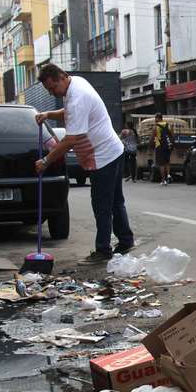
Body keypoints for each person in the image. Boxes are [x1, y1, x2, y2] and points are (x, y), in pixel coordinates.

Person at [34, 63, 135, 264]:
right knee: (116, 201)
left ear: (62, 77)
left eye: (53, 88)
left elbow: (71, 139)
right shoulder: (76, 83)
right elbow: (70, 112)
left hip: (103, 156)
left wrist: (46, 160)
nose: (53, 93)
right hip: (113, 150)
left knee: (102, 205)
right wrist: (49, 114)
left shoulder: (77, 97)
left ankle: (103, 250)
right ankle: (125, 241)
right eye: (48, 90)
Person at [150, 113, 174, 185]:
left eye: (155, 118)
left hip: (159, 146)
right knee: (167, 162)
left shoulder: (156, 127)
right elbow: (172, 135)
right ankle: (169, 175)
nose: (155, 120)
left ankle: (163, 180)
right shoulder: (168, 125)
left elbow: (153, 137)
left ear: (158, 118)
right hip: (168, 146)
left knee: (161, 164)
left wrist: (150, 144)